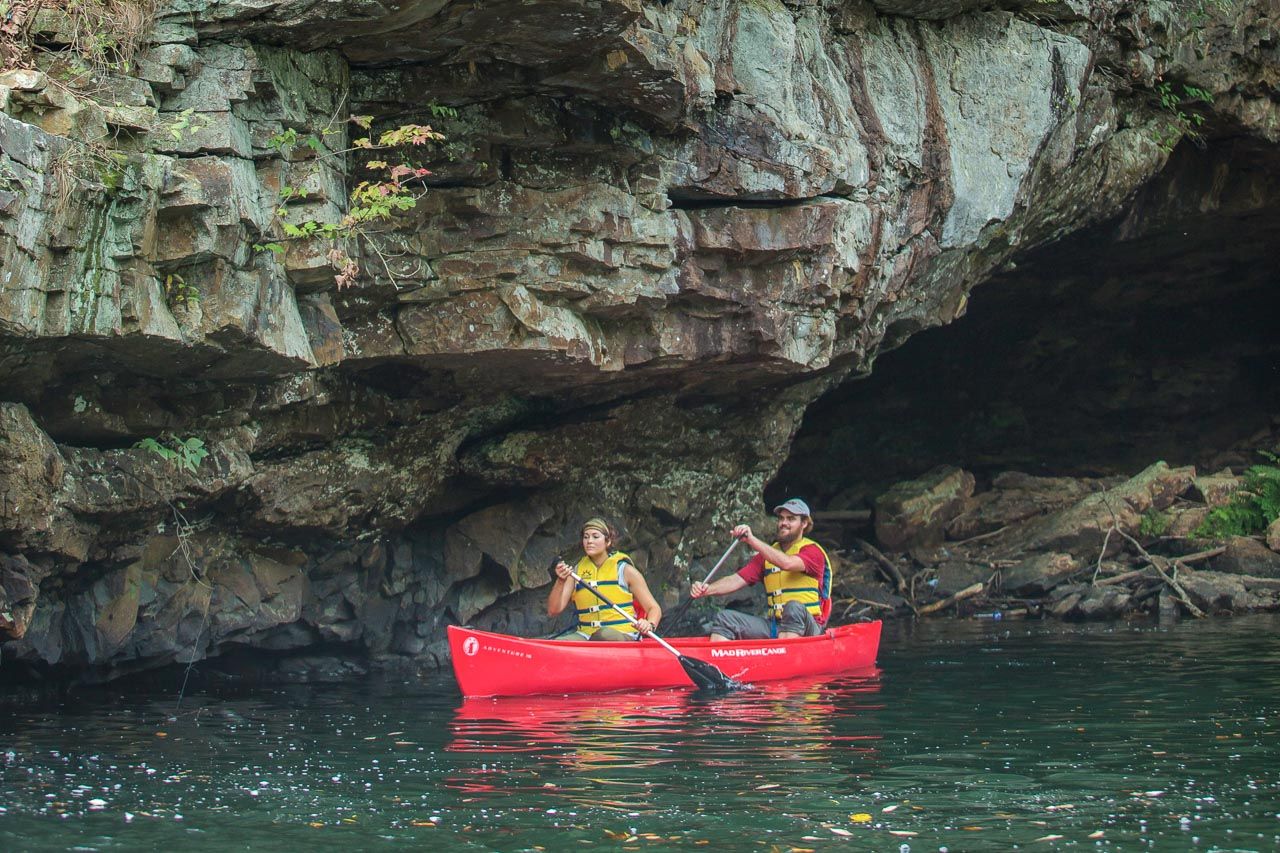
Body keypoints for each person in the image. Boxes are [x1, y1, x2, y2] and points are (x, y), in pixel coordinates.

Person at [690, 498, 833, 641]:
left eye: (791, 519)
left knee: (793, 607)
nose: (784, 523)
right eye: (781, 518)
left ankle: (785, 658)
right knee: (725, 619)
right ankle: (720, 661)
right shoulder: (767, 556)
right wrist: (706, 589)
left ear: (804, 523)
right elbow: (736, 580)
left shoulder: (813, 552)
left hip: (809, 629)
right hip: (775, 626)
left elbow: (787, 563)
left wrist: (751, 540)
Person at [547, 517, 662, 641]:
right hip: (586, 635)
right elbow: (553, 610)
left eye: (595, 536)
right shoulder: (576, 573)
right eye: (586, 537)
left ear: (607, 542)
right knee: (559, 643)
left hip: (623, 634)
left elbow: (654, 608)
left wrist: (649, 624)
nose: (589, 541)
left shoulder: (625, 571)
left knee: (604, 634)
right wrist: (560, 581)